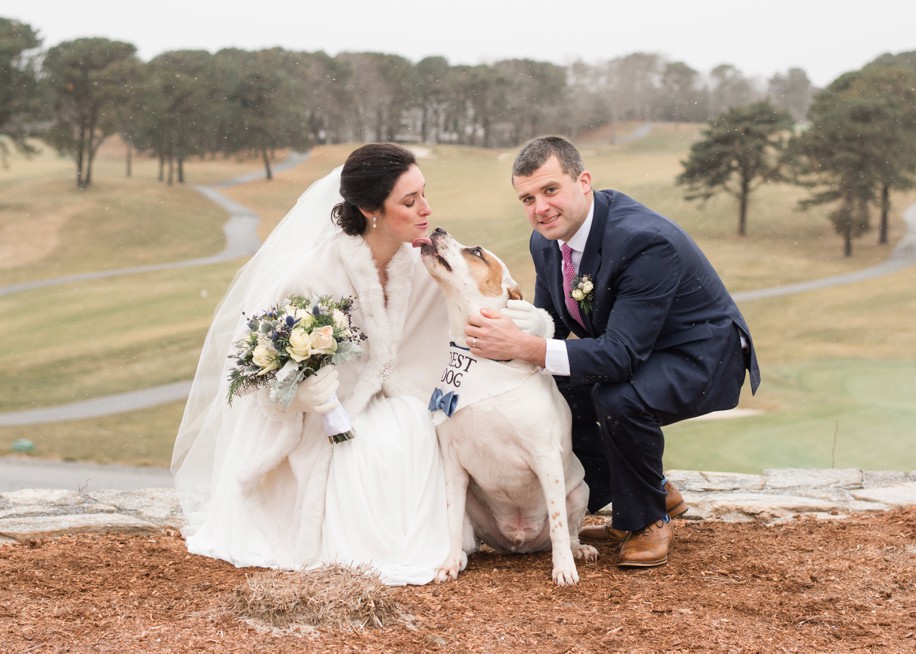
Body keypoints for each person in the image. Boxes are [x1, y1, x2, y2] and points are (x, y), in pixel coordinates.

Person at [464, 135, 761, 568]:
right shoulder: (546, 241)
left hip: (703, 355)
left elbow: (619, 357)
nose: (539, 208)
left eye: (550, 190)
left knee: (617, 397)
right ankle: (643, 487)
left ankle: (646, 520)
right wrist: (511, 340)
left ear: (583, 181)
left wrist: (527, 347)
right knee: (560, 390)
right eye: (527, 198)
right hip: (638, 351)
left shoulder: (643, 242)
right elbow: (553, 326)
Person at [171, 143, 453, 585]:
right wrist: (301, 394)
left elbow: (450, 337)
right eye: (409, 200)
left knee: (411, 431)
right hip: (316, 417)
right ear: (369, 209)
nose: (426, 209)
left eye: (424, 194)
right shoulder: (308, 278)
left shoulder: (421, 267)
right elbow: (255, 374)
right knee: (367, 448)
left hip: (396, 398)